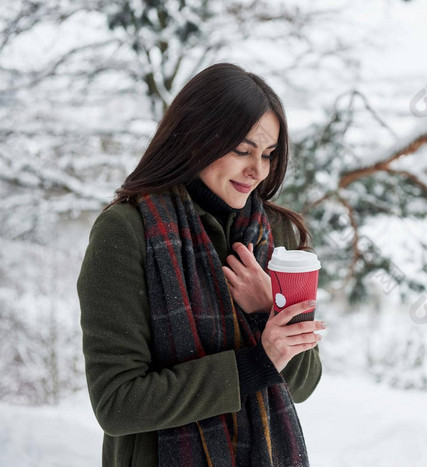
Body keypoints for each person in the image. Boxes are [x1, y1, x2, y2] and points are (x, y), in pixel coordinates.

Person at [77, 63, 324, 467]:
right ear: (196, 139)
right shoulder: (125, 232)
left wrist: (269, 311)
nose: (257, 170)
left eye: (268, 154)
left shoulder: (274, 233)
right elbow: (117, 403)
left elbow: (304, 384)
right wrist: (256, 364)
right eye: (242, 150)